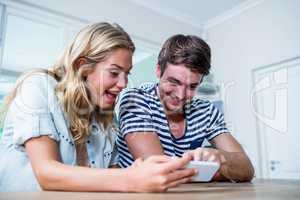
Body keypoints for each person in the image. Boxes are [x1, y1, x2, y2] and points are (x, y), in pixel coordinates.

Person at [0, 23, 196, 192]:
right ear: (82, 67)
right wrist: (131, 179)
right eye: (114, 72)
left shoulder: (106, 118)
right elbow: (46, 173)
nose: (124, 83)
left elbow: (112, 173)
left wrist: (143, 172)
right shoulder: (38, 86)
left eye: (127, 73)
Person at [117, 34, 255, 182]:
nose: (181, 95)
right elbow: (160, 172)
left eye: (192, 86)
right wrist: (213, 172)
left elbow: (247, 170)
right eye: (174, 82)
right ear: (158, 70)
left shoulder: (206, 111)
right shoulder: (136, 100)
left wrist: (221, 157)